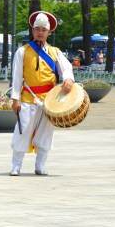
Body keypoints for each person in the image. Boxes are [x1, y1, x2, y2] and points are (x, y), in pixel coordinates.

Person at [9, 11, 74, 176]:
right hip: (27, 98)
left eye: (43, 30)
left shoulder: (55, 52)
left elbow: (66, 69)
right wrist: (15, 99)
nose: (40, 32)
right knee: (22, 131)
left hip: (49, 101)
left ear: (49, 32)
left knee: (46, 134)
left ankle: (40, 165)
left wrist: (68, 79)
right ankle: (16, 166)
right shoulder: (22, 52)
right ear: (32, 30)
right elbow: (16, 77)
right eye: (37, 29)